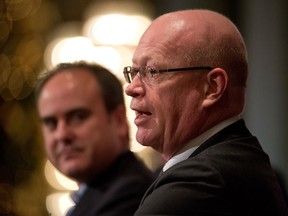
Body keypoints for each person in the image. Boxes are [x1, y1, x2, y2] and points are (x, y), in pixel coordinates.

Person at [123, 9, 288, 215]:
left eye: (152, 71)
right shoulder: (231, 160)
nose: (131, 88)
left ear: (212, 88)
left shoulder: (204, 181)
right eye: (134, 72)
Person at [35, 61, 155, 216]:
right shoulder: (99, 195)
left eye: (78, 117)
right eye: (51, 123)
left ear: (118, 120)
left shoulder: (130, 197)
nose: (62, 135)